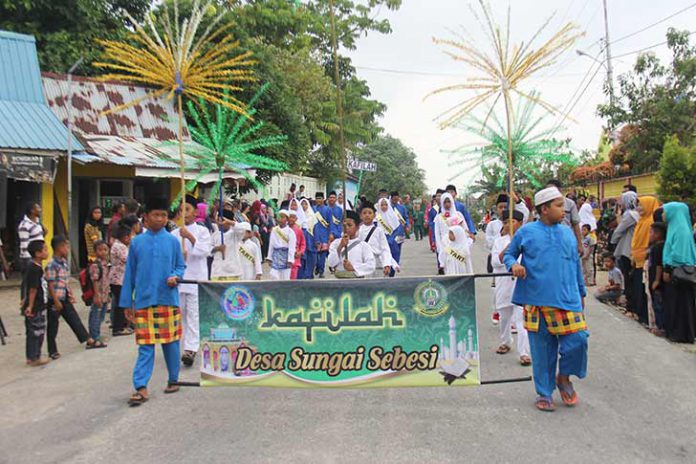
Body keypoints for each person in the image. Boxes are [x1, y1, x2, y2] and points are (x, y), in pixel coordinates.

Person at [504, 186, 588, 412]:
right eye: (559, 206)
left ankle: (564, 377)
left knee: (578, 341)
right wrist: (515, 265)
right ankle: (544, 392)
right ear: (544, 209)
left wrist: (581, 292)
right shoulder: (526, 231)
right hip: (536, 300)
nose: (564, 210)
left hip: (568, 299)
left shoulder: (568, 233)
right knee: (542, 351)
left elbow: (575, 265)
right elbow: (509, 254)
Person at [120, 198, 186, 405]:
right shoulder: (137, 242)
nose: (160, 219)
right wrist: (125, 303)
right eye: (156, 215)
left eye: (164, 215)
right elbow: (129, 273)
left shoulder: (173, 241)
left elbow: (180, 267)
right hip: (143, 301)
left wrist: (176, 276)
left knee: (171, 344)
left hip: (168, 298)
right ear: (146, 217)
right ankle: (140, 386)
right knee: (145, 346)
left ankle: (173, 379)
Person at [171, 195, 212, 367]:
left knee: (194, 315)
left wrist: (190, 238)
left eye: (187, 209)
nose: (184, 213)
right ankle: (175, 346)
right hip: (179, 280)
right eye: (181, 210)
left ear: (195, 212)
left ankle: (191, 349)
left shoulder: (202, 231)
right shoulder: (173, 234)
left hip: (195, 279)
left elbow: (205, 252)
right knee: (178, 315)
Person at [491, 210, 530, 366]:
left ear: (520, 223)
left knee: (521, 320)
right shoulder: (499, 242)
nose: (508, 225)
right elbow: (495, 262)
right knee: (505, 317)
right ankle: (506, 341)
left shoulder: (527, 240)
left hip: (521, 284)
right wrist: (509, 247)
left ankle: (524, 352)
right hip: (504, 284)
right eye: (506, 222)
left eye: (512, 221)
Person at [45, 236, 94, 358]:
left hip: (64, 296)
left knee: (74, 318)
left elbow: (64, 281)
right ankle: (52, 350)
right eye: (66, 247)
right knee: (53, 325)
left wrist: (70, 294)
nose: (68, 249)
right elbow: (50, 284)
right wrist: (56, 301)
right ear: (59, 248)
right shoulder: (52, 264)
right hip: (54, 299)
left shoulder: (63, 263)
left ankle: (88, 339)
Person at [662, 202, 696, 344]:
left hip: (680, 273)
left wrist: (667, 268)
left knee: (681, 304)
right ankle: (675, 331)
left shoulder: (681, 229)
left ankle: (681, 333)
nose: (663, 215)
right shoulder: (675, 227)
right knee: (677, 303)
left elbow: (679, 254)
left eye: (665, 211)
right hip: (679, 272)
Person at [630, 196, 660, 325]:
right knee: (639, 287)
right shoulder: (641, 221)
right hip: (637, 259)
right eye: (638, 205)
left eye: (641, 205)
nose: (638, 208)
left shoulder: (650, 222)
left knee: (644, 289)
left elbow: (649, 242)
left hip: (646, 260)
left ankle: (646, 317)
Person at [22, 240, 50, 366]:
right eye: (44, 250)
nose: (47, 252)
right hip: (36, 305)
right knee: (37, 331)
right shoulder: (35, 268)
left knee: (31, 332)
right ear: (37, 253)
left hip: (34, 303)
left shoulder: (33, 266)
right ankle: (35, 357)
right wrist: (30, 305)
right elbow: (33, 289)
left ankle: (31, 356)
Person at [611, 191, 639, 311]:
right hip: (634, 248)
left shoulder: (630, 215)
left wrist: (612, 241)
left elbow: (619, 230)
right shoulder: (638, 213)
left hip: (626, 249)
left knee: (627, 277)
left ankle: (630, 304)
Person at [327, 210, 375, 278]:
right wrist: (340, 247)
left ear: (357, 227)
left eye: (349, 225)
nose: (346, 228)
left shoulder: (363, 245)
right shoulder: (336, 243)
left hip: (356, 281)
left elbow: (371, 265)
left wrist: (353, 268)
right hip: (340, 281)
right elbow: (331, 263)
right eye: (344, 225)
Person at [359, 202, 396, 278]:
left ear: (374, 215)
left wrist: (386, 264)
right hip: (363, 264)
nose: (367, 215)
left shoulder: (379, 230)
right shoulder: (358, 231)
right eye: (364, 213)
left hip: (378, 263)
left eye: (370, 213)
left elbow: (385, 248)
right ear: (361, 216)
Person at [546, 180, 582, 255]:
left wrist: (579, 244)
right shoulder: (544, 205)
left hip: (566, 240)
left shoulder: (570, 204)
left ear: (560, 190)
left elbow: (576, 225)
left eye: (552, 190)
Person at [210, 210, 247, 281]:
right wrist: (217, 248)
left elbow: (243, 229)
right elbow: (208, 250)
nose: (219, 223)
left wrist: (230, 222)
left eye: (222, 221)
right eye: (218, 220)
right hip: (217, 272)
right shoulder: (215, 235)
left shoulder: (234, 233)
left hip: (232, 273)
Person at [110, 225, 132, 336]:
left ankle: (121, 325)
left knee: (120, 302)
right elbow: (128, 259)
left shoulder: (120, 245)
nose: (130, 239)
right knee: (120, 304)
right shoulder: (120, 246)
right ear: (124, 237)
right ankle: (118, 328)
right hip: (118, 278)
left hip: (119, 278)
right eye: (129, 237)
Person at [434, 193, 468, 266]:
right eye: (445, 202)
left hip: (459, 247)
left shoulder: (458, 215)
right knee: (449, 268)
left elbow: (465, 230)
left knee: (460, 267)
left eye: (448, 201)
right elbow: (437, 234)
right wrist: (440, 247)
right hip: (446, 247)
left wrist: (466, 243)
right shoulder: (438, 217)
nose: (447, 204)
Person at [375, 198, 404, 277]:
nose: (384, 207)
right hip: (381, 241)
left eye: (386, 205)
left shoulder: (393, 215)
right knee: (384, 258)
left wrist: (391, 238)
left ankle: (392, 275)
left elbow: (397, 228)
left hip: (392, 241)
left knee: (394, 257)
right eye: (382, 205)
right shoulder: (377, 216)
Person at [647, 222, 666, 334]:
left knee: (658, 304)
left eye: (651, 232)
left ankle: (660, 326)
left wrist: (656, 280)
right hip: (653, 277)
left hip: (656, 280)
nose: (649, 235)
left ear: (658, 234)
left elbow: (659, 265)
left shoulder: (658, 247)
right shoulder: (656, 246)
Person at [266, 210, 297, 281]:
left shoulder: (290, 232)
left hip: (285, 256)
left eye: (283, 217)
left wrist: (290, 260)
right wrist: (269, 257)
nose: (280, 219)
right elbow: (271, 244)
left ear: (287, 219)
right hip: (276, 255)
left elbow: (292, 247)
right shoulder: (274, 230)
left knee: (285, 277)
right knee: (274, 275)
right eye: (279, 217)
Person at [17, 203, 45, 276]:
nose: (40, 210)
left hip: (37, 257)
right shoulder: (24, 225)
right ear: (32, 211)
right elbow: (24, 245)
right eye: (38, 208)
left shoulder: (37, 222)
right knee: (28, 282)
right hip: (29, 259)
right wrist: (30, 261)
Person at [299, 198, 318, 280]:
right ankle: (303, 274)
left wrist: (317, 240)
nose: (304, 206)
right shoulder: (297, 216)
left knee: (311, 257)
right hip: (301, 239)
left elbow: (316, 229)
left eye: (305, 204)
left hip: (310, 239)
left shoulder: (312, 215)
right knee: (302, 257)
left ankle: (309, 273)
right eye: (302, 204)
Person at [314, 192, 331, 278]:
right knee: (316, 254)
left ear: (323, 199)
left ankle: (321, 271)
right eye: (317, 198)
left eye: (320, 198)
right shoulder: (313, 209)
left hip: (324, 234)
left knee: (323, 254)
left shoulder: (327, 209)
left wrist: (329, 235)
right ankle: (317, 266)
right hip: (315, 235)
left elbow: (330, 223)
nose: (318, 200)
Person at [288, 210, 306, 280]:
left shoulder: (298, 230)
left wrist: (300, 252)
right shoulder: (282, 230)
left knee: (293, 278)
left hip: (295, 258)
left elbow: (303, 243)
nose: (291, 219)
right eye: (290, 217)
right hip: (285, 258)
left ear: (296, 219)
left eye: (293, 217)